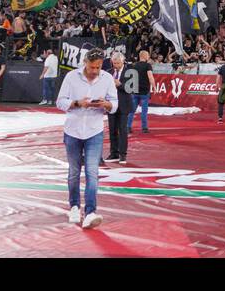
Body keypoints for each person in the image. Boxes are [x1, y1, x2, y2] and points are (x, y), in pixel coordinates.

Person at [55, 49, 116, 229]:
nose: (95, 70)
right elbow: (60, 101)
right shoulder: (71, 77)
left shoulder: (107, 78)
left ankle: (90, 212)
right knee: (74, 172)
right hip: (73, 131)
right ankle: (74, 206)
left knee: (92, 173)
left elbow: (115, 104)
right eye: (92, 67)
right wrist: (76, 103)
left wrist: (107, 104)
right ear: (85, 62)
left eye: (98, 67)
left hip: (94, 131)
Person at [105, 51, 132, 163]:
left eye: (117, 63)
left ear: (122, 62)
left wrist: (119, 84)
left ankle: (123, 155)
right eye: (114, 63)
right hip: (111, 105)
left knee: (123, 130)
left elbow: (131, 88)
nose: (115, 65)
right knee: (112, 130)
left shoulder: (130, 72)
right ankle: (113, 153)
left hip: (124, 105)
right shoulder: (108, 73)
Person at [128, 49, 153, 134]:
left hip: (134, 91)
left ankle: (128, 127)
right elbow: (150, 77)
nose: (149, 57)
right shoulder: (147, 65)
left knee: (131, 111)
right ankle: (144, 128)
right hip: (144, 91)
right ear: (145, 56)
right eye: (148, 55)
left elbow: (130, 78)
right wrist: (154, 86)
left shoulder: (133, 65)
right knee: (144, 111)